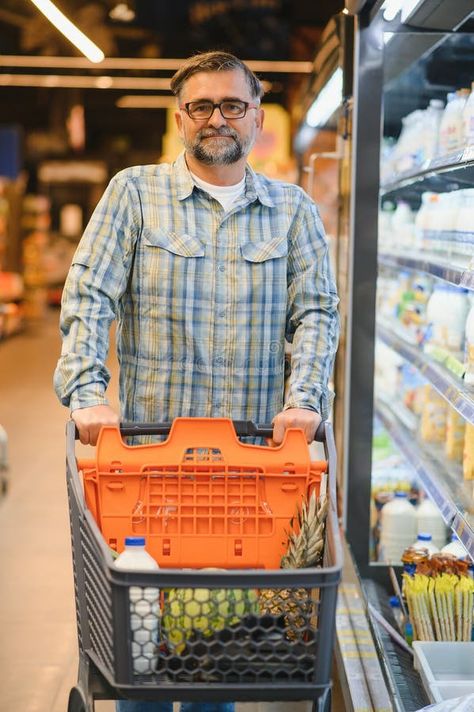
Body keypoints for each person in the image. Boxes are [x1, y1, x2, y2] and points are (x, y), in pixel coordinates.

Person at [54, 51, 339, 712]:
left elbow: (317, 311)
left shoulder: (293, 211)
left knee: (222, 648)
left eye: (232, 105)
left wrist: (303, 402)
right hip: (149, 468)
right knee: (144, 652)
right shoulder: (134, 193)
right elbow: (89, 296)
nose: (217, 119)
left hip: (252, 474)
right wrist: (89, 392)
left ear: (256, 117)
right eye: (201, 107)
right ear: (180, 117)